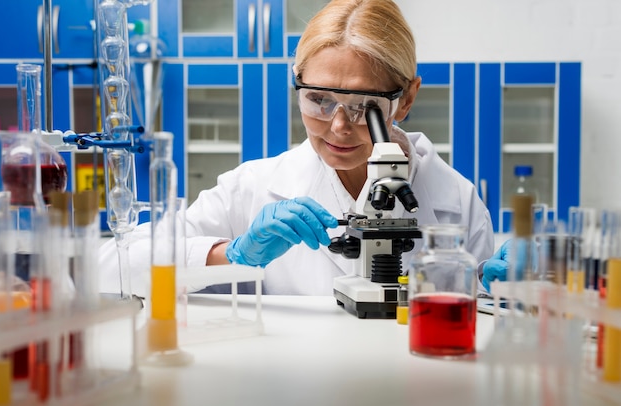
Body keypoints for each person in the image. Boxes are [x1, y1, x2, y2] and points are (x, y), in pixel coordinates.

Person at [99, 0, 497, 296]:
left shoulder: (456, 202)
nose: (338, 126)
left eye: (365, 107)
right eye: (318, 100)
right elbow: (108, 267)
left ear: (406, 99)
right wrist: (233, 254)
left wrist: (505, 291)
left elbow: (479, 325)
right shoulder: (253, 187)